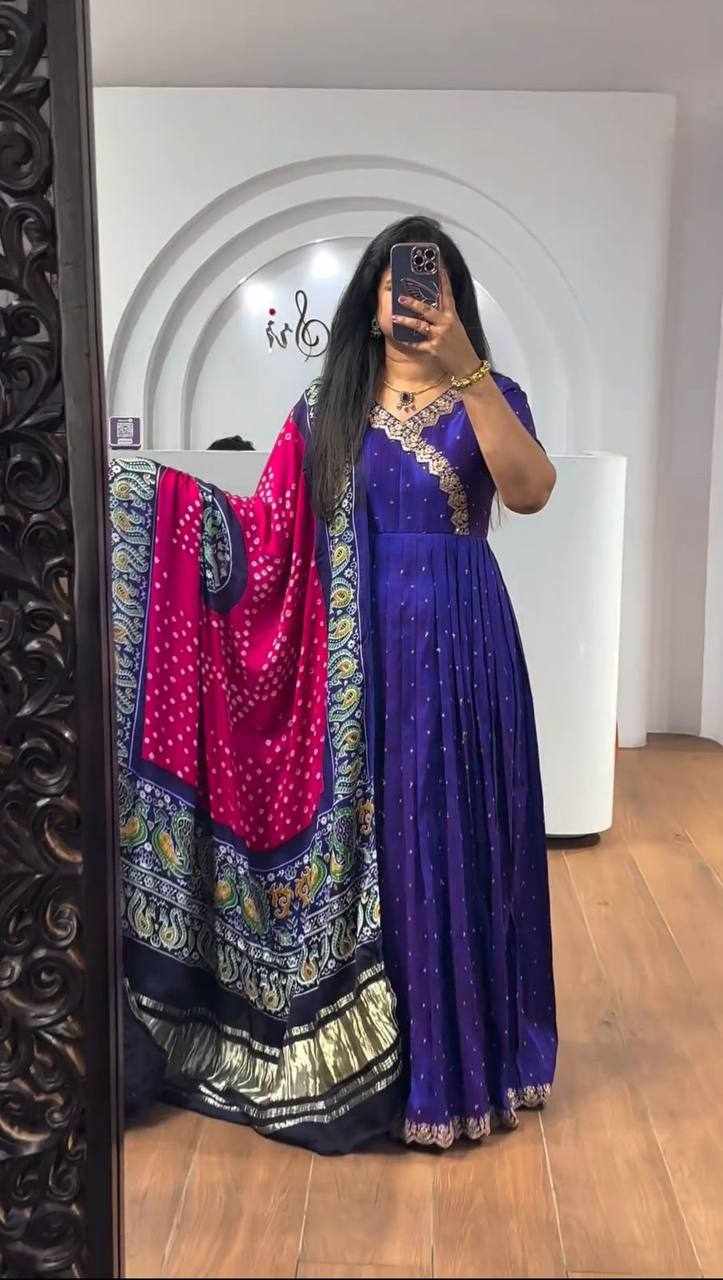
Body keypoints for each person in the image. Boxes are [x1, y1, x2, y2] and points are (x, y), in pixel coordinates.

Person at [112, 213, 558, 1154]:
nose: (411, 299)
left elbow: (528, 491)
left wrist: (468, 369)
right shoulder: (327, 410)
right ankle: (385, 1068)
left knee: (451, 833)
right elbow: (265, 534)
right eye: (396, 283)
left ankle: (467, 1065)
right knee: (381, 846)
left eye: (430, 284)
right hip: (350, 661)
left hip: (461, 644)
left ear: (452, 300)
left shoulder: (492, 393)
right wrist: (150, 503)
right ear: (369, 298)